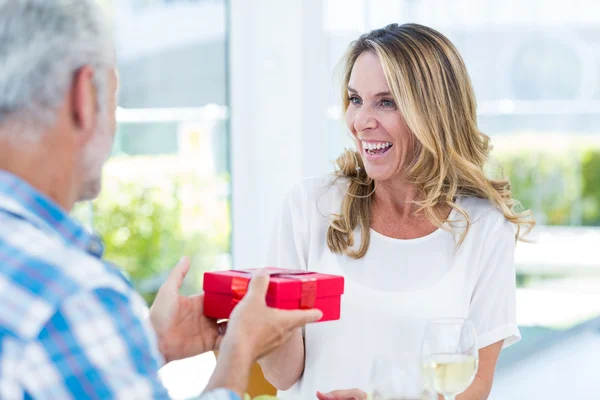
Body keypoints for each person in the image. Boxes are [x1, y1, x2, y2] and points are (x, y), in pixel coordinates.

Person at [0, 1, 322, 399]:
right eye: (114, 99)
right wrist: (239, 352)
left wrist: (152, 343)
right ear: (83, 96)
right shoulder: (69, 296)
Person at [259, 23, 535, 400]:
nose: (360, 122)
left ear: (434, 113)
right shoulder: (310, 207)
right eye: (355, 99)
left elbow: (473, 388)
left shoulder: (484, 228)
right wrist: (263, 325)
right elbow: (282, 376)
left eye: (386, 102)